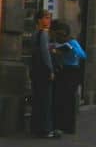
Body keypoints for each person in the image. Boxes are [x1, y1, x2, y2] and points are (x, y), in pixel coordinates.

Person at [50, 20, 87, 134]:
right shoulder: (56, 43)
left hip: (72, 71)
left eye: (62, 34)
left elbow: (83, 55)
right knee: (59, 98)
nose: (60, 37)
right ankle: (59, 124)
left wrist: (71, 49)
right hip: (61, 70)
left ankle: (68, 126)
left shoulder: (72, 42)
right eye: (58, 34)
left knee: (69, 98)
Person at [30, 10, 59, 138]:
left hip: (35, 70)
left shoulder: (35, 34)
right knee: (46, 100)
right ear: (39, 20)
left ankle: (36, 127)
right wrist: (50, 69)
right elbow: (45, 53)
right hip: (43, 70)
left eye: (50, 18)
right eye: (46, 18)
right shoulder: (44, 34)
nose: (49, 21)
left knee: (38, 99)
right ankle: (46, 129)